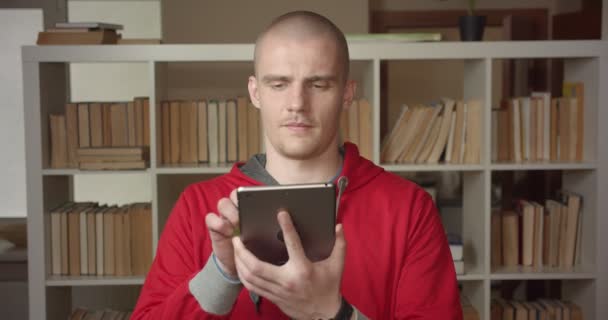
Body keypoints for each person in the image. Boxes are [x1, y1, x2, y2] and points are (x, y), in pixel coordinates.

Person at [132, 10, 462, 320]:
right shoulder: (199, 208)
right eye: (278, 84)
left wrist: (332, 312)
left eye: (318, 85)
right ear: (255, 92)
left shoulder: (409, 208)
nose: (297, 104)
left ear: (347, 94)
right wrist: (221, 275)